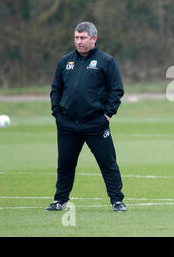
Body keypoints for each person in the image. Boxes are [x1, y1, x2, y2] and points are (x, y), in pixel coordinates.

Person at [46, 21, 126, 212]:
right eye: (76, 38)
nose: (79, 42)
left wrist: (107, 115)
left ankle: (117, 200)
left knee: (108, 163)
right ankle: (60, 200)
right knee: (65, 164)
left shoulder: (106, 61)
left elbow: (117, 90)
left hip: (96, 124)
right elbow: (55, 89)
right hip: (67, 124)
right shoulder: (65, 61)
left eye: (83, 38)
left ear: (94, 38)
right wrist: (57, 113)